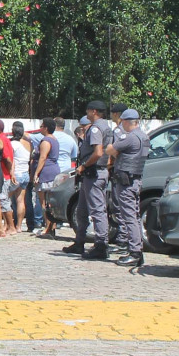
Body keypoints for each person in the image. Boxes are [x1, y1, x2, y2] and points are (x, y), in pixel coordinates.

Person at [68, 101, 112, 260]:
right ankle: (79, 241)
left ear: (94, 111)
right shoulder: (106, 127)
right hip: (94, 173)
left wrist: (84, 166)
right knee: (82, 210)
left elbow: (98, 152)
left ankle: (101, 245)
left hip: (93, 172)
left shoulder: (95, 128)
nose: (86, 113)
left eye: (88, 110)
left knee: (97, 211)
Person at [106, 109, 148, 270]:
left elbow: (109, 150)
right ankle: (137, 249)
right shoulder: (144, 136)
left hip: (126, 182)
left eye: (122, 122)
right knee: (135, 216)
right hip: (135, 180)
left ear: (126, 121)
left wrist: (115, 152)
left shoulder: (130, 137)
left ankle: (135, 252)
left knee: (129, 216)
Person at [35, 118, 61, 237]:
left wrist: (36, 173)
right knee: (51, 201)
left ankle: (48, 227)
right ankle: (52, 226)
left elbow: (43, 158)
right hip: (54, 169)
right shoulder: (55, 140)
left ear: (46, 128)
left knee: (44, 201)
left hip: (46, 172)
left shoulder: (46, 141)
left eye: (42, 126)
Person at [9, 121, 35, 234]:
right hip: (25, 173)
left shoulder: (13, 144)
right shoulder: (28, 143)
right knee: (21, 201)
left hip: (16, 174)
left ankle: (9, 225)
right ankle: (19, 226)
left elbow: (10, 159)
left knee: (5, 200)